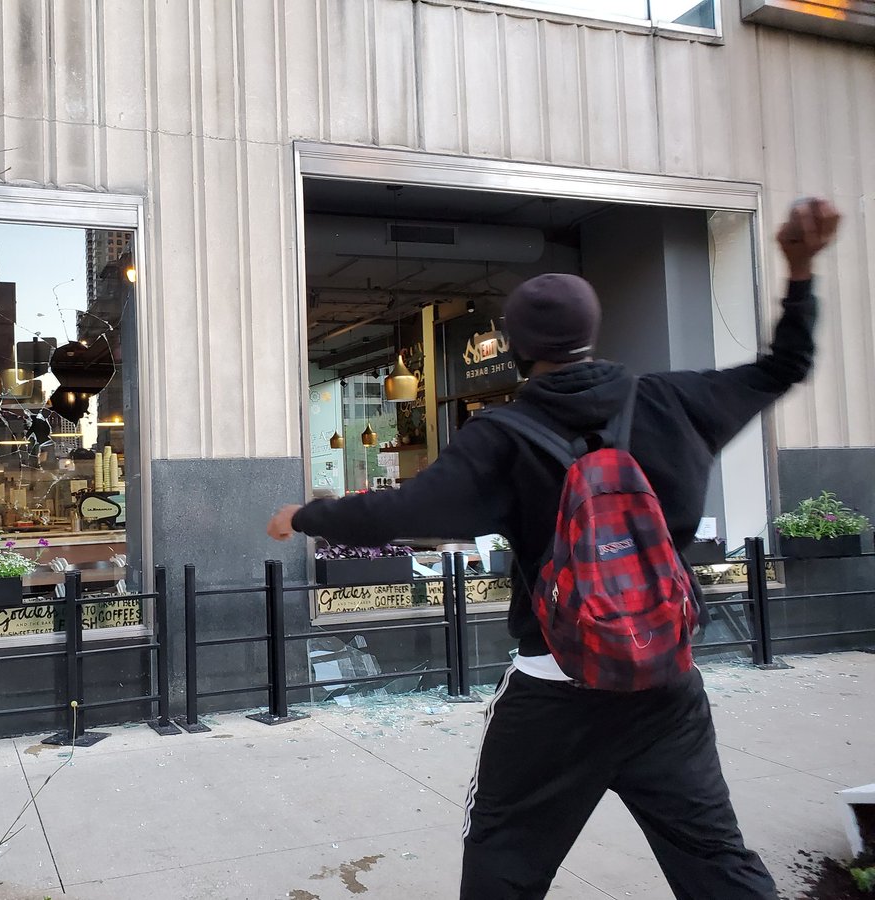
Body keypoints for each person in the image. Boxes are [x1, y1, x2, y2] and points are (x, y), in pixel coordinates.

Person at [267, 198, 840, 900]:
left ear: (514, 347)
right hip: (665, 684)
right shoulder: (675, 403)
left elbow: (406, 509)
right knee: (716, 862)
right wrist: (802, 268)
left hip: (554, 691)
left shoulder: (501, 437)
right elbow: (785, 365)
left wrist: (306, 514)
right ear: (594, 332)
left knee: (504, 858)